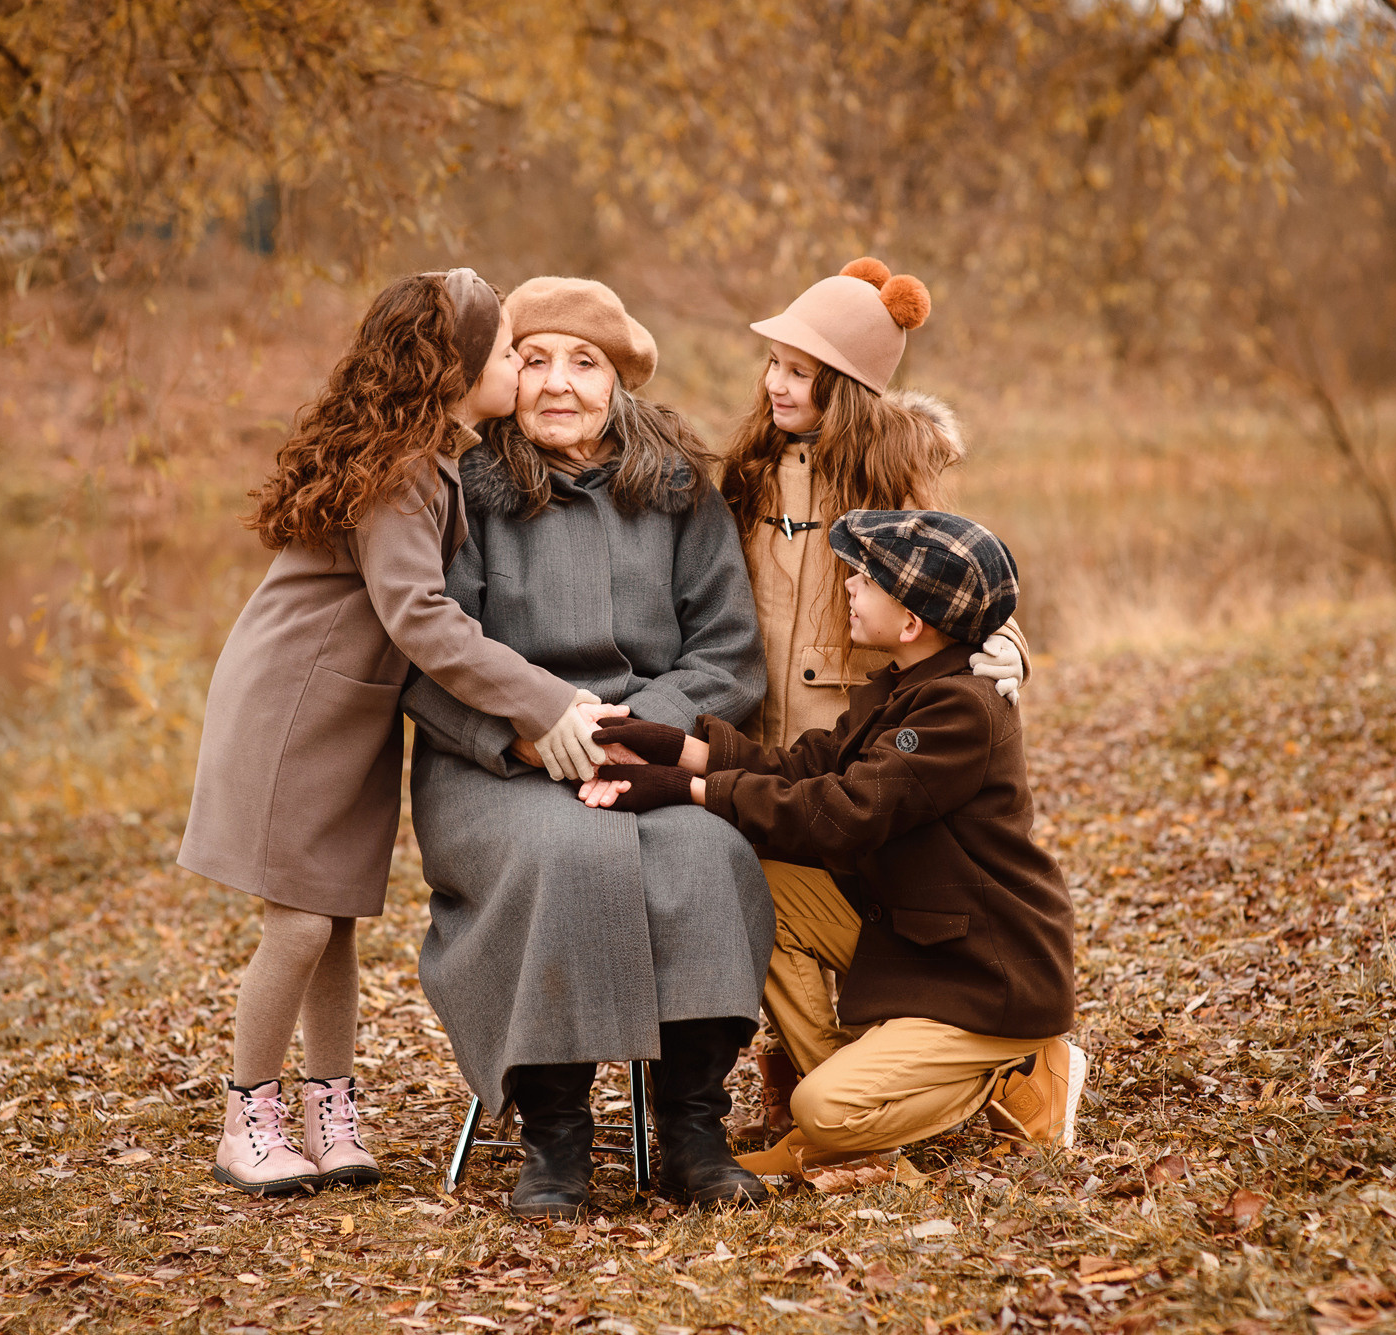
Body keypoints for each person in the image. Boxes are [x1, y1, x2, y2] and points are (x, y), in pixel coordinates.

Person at [178, 270, 615, 1197]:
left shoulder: (427, 456)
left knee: (334, 918)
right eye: (509, 352)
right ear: (459, 368)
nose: (521, 368)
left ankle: (328, 1112)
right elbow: (421, 615)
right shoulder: (402, 472)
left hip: (346, 710)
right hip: (295, 709)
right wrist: (544, 700)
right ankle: (246, 1115)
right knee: (299, 922)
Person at [403, 276, 774, 1219]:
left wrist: (639, 735)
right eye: (534, 360)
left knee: (709, 852)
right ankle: (556, 1140)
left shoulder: (680, 488)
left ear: (619, 381)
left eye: (585, 363)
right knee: (563, 854)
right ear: (503, 376)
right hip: (499, 764)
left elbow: (727, 652)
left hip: (652, 750)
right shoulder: (465, 490)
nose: (559, 383)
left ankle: (694, 1131)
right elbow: (430, 656)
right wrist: (528, 738)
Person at [583, 510, 1086, 1170]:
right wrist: (677, 748)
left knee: (822, 1107)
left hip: (986, 973)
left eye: (867, 580)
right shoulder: (903, 685)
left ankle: (1011, 1073)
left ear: (911, 624)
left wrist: (688, 791)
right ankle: (848, 1111)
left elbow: (844, 812)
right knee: (750, 879)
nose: (848, 584)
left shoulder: (960, 709)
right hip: (923, 935)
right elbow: (807, 766)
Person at [715, 255, 1033, 1138]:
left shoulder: (890, 479)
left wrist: (1008, 646)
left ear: (847, 387)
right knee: (757, 891)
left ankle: (906, 1082)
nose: (777, 384)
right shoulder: (746, 473)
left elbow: (967, 582)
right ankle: (814, 1089)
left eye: (801, 372)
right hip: (772, 739)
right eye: (774, 363)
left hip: (869, 751)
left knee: (876, 910)